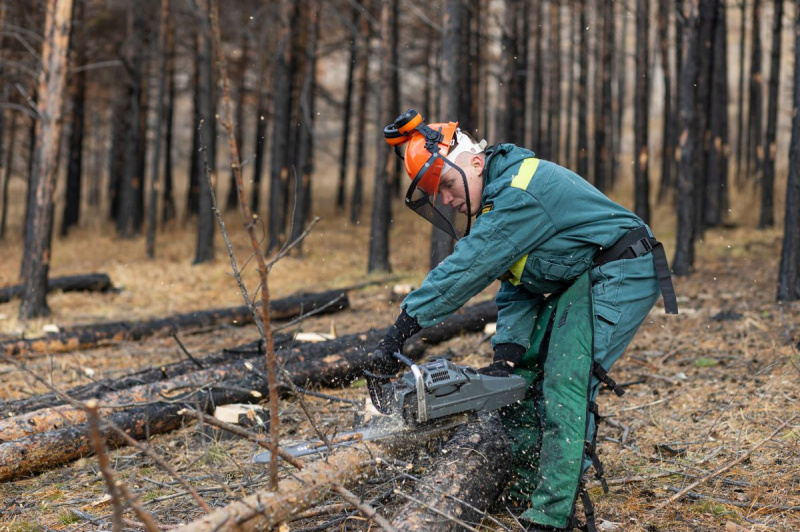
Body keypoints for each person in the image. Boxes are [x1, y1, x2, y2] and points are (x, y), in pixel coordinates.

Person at [365, 110, 678, 532]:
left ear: (475, 162)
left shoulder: (519, 191)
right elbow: (518, 281)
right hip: (583, 277)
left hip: (621, 268)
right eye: (438, 194)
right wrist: (509, 352)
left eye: (449, 186)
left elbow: (469, 267)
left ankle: (551, 515)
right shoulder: (500, 195)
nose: (448, 200)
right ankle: (525, 486)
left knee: (566, 375)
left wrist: (400, 331)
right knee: (521, 377)